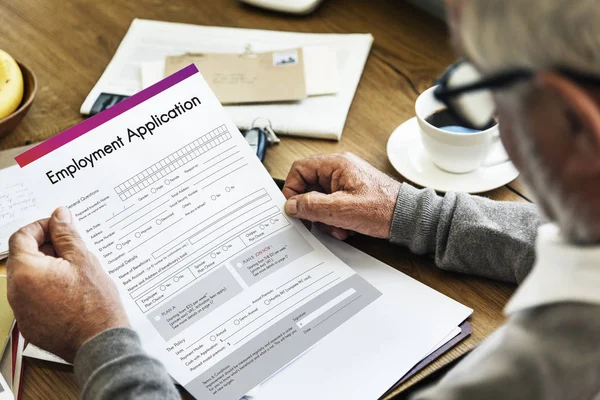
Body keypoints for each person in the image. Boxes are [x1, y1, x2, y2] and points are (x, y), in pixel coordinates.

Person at [7, 0, 600, 398]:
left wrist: (98, 341)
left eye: (484, 89)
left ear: (577, 122)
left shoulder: (546, 369)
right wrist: (417, 214)